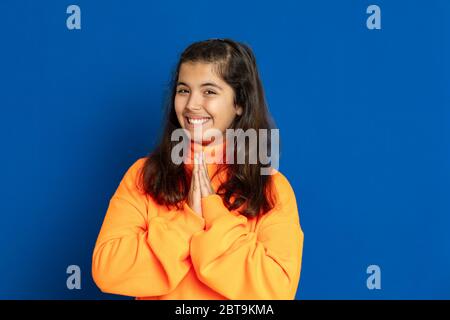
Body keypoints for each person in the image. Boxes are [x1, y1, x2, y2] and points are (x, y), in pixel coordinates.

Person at [92, 38, 304, 300]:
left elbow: (276, 291)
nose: (192, 104)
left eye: (209, 91)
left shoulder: (271, 186)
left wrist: (214, 215)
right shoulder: (143, 175)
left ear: (239, 103)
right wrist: (188, 220)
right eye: (183, 90)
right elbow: (109, 271)